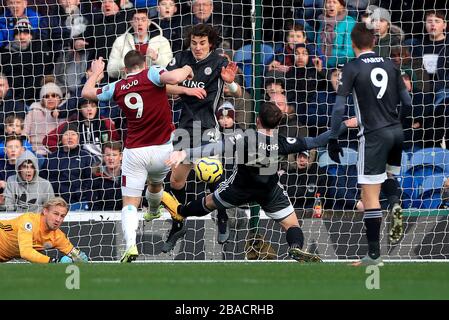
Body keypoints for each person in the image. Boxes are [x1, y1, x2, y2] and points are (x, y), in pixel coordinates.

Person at [160, 102, 357, 259]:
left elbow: (214, 149)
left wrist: (185, 152)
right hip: (269, 191)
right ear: (278, 124)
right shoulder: (282, 142)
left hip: (239, 189)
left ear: (257, 120)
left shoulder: (244, 138)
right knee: (292, 226)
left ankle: (180, 212)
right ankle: (295, 247)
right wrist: (345, 125)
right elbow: (318, 141)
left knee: (209, 202)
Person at [81, 50, 199, 262]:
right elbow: (174, 77)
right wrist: (188, 68)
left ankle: (130, 246)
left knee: (129, 203)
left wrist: (96, 73)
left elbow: (87, 93)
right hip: (162, 150)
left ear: (125, 70)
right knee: (155, 185)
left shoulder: (116, 87)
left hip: (135, 152)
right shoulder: (152, 73)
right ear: (144, 64)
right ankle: (154, 209)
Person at [326, 23, 412, 266]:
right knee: (389, 178)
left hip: (373, 136)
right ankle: (395, 203)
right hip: (395, 132)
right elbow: (407, 103)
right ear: (374, 42)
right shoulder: (391, 64)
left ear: (353, 44)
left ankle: (373, 256)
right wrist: (399, 125)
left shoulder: (352, 67)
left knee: (369, 195)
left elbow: (339, 107)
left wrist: (334, 137)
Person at [166, 23, 238, 211]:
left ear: (211, 44)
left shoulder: (219, 62)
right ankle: (179, 219)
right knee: (176, 181)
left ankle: (222, 218)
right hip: (184, 127)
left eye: (202, 43)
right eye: (194, 43)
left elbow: (238, 92)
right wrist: (186, 90)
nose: (197, 47)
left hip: (207, 126)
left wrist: (230, 84)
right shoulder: (181, 58)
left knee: (211, 174)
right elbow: (162, 86)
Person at [0, 197, 88, 263]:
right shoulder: (29, 222)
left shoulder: (58, 236)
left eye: (62, 216)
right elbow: (26, 253)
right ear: (45, 211)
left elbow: (74, 254)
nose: (58, 219)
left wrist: (79, 257)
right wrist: (54, 262)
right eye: (55, 214)